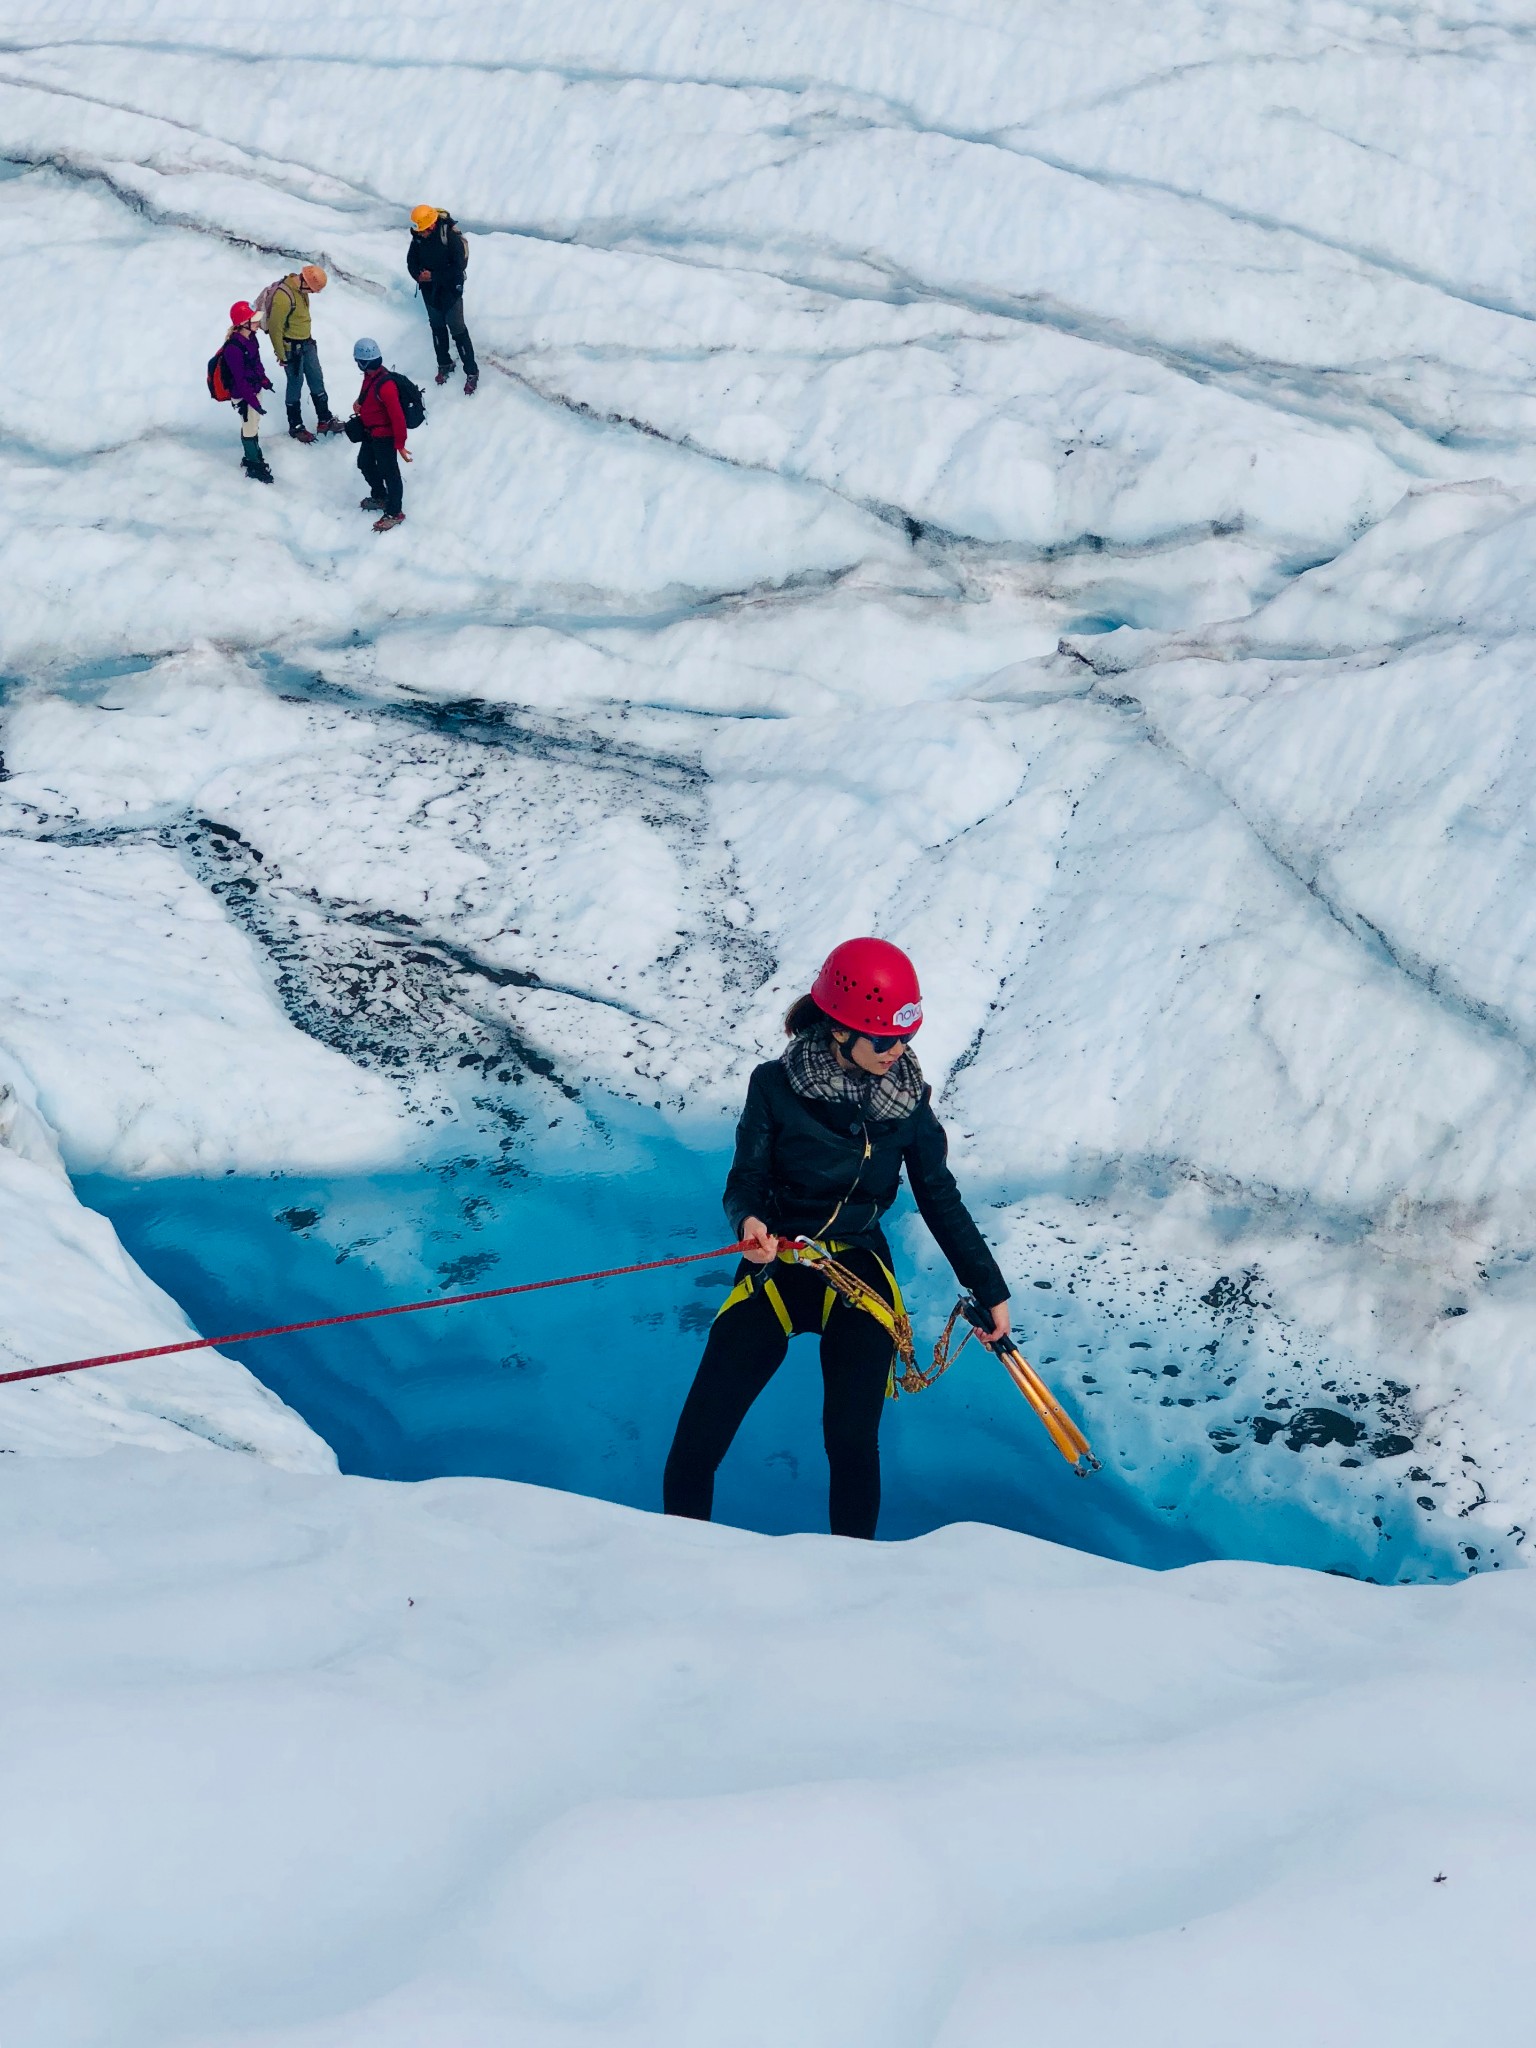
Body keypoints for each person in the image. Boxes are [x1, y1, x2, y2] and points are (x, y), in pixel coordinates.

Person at [663, 938, 1010, 1539]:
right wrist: (749, 1222)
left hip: (858, 1266)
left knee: (852, 1443)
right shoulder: (773, 1085)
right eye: (884, 1039)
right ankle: (674, 1563)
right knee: (698, 1438)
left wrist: (988, 1285)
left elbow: (938, 1194)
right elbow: (746, 1178)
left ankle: (852, 1590)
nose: (897, 1050)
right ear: (841, 1030)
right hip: (777, 1258)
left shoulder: (909, 1106)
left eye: (905, 1037)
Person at [406, 205, 478, 394]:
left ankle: (471, 371)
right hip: (430, 291)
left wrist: (434, 276)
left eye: (422, 230)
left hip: (450, 290)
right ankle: (444, 363)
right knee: (437, 327)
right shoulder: (418, 238)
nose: (419, 233)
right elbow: (411, 260)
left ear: (431, 225)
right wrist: (418, 275)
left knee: (458, 330)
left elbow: (459, 266)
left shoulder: (449, 236)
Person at [268, 265, 343, 443]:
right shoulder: (283, 297)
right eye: (313, 290)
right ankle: (295, 425)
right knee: (295, 384)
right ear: (305, 282)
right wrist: (281, 354)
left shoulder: (302, 291)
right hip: (291, 349)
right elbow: (275, 328)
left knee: (317, 378)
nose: (314, 293)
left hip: (307, 343)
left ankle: (324, 418)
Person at [350, 337, 410, 532]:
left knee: (390, 472)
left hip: (384, 436)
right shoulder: (371, 376)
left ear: (362, 362)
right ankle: (380, 496)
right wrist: (360, 403)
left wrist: (399, 444)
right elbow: (366, 395)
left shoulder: (386, 385)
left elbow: (398, 417)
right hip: (371, 433)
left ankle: (395, 511)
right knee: (364, 463)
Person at [219, 302, 274, 482]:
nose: (258, 322)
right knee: (249, 427)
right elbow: (239, 379)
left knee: (253, 424)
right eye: (254, 320)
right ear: (243, 323)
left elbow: (256, 362)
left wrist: (263, 379)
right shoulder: (232, 349)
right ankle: (253, 463)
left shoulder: (251, 338)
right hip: (244, 396)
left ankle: (254, 454)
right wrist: (253, 402)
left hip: (254, 390)